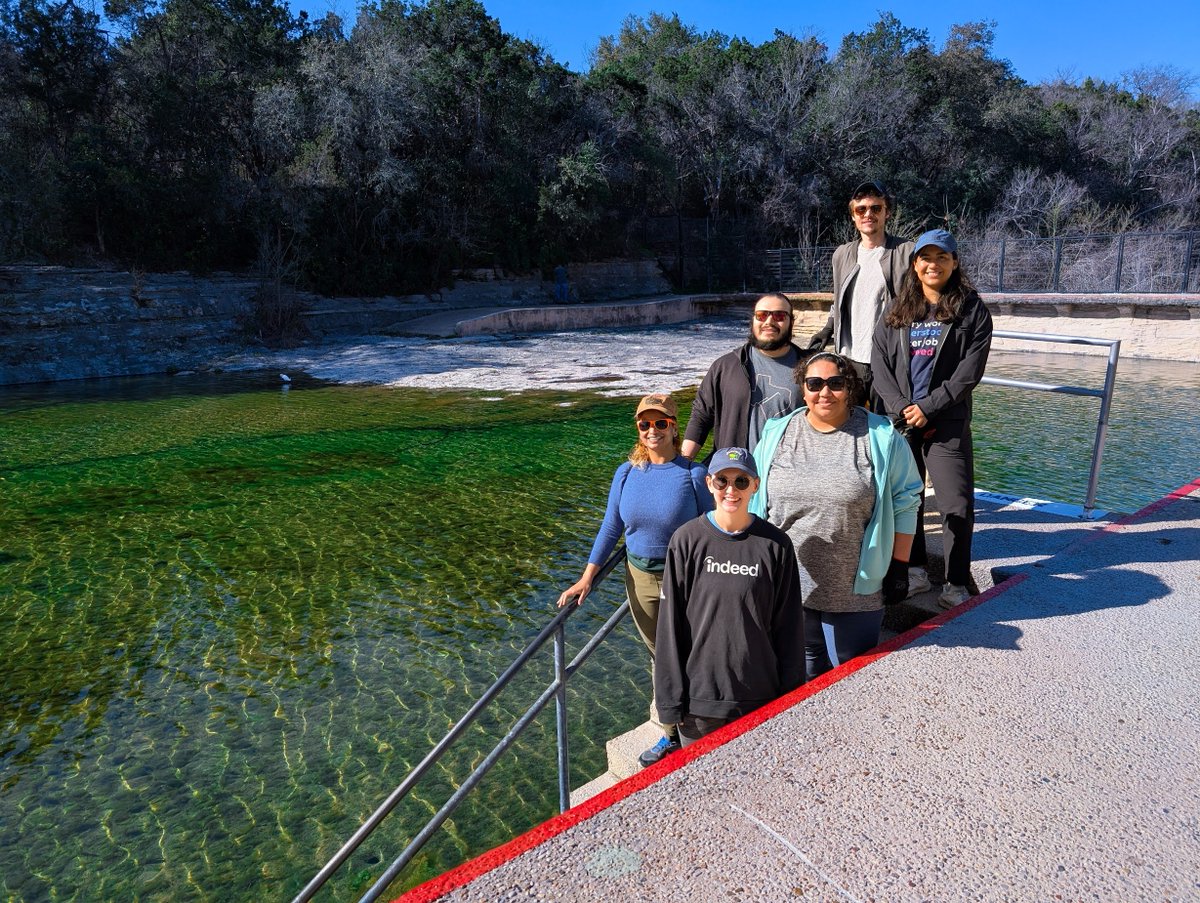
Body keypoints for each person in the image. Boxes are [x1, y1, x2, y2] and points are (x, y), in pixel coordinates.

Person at [558, 392, 710, 767]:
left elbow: (711, 530)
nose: (652, 430)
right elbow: (611, 527)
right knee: (659, 656)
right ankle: (672, 732)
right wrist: (587, 577)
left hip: (684, 579)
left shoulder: (693, 474)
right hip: (639, 578)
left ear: (674, 427)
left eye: (660, 423)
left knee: (690, 650)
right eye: (645, 424)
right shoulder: (626, 473)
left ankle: (702, 722)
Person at [750, 352, 923, 681]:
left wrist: (900, 565)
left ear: (850, 388)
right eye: (814, 383)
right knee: (802, 672)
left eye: (836, 383)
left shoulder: (882, 436)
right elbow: (754, 497)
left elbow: (906, 501)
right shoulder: (776, 431)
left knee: (852, 676)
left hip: (854, 590)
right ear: (803, 389)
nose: (824, 392)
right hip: (788, 586)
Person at [871, 228, 994, 609]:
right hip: (902, 421)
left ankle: (956, 582)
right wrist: (900, 407)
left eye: (942, 257)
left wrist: (928, 407)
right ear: (915, 264)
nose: (933, 264)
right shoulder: (898, 309)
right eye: (926, 257)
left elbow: (968, 374)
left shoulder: (972, 310)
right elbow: (880, 363)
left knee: (955, 505)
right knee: (908, 502)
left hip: (947, 422)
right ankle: (915, 571)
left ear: (954, 263)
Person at [654, 447, 804, 748]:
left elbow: (789, 628)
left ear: (755, 486)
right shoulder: (686, 540)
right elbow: (670, 628)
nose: (731, 490)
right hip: (699, 702)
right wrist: (670, 703)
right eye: (722, 480)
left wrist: (793, 697)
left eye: (741, 481)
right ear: (709, 483)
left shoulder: (776, 545)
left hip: (760, 697)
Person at [808, 181, 914, 410]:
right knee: (848, 423)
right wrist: (828, 329)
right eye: (861, 209)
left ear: (887, 213)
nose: (868, 214)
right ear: (853, 216)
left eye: (876, 208)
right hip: (850, 360)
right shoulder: (842, 254)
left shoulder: (906, 252)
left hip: (888, 361)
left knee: (887, 425)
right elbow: (839, 300)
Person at [681, 293, 804, 460]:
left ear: (791, 322)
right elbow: (701, 417)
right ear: (753, 321)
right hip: (733, 470)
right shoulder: (725, 366)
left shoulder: (810, 368)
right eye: (762, 315)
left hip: (786, 470)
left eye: (779, 316)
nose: (769, 321)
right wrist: (684, 463)